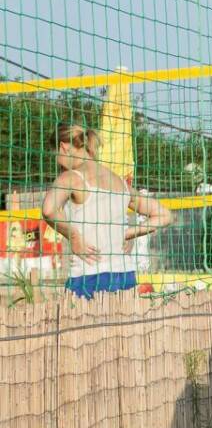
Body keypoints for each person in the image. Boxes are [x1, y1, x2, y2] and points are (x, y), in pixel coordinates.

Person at [41, 124, 172, 299]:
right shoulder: (118, 181)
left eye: (56, 154)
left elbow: (48, 210)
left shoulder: (71, 177)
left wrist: (73, 236)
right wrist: (127, 233)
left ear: (63, 147)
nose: (57, 160)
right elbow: (165, 215)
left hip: (88, 275)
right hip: (125, 275)